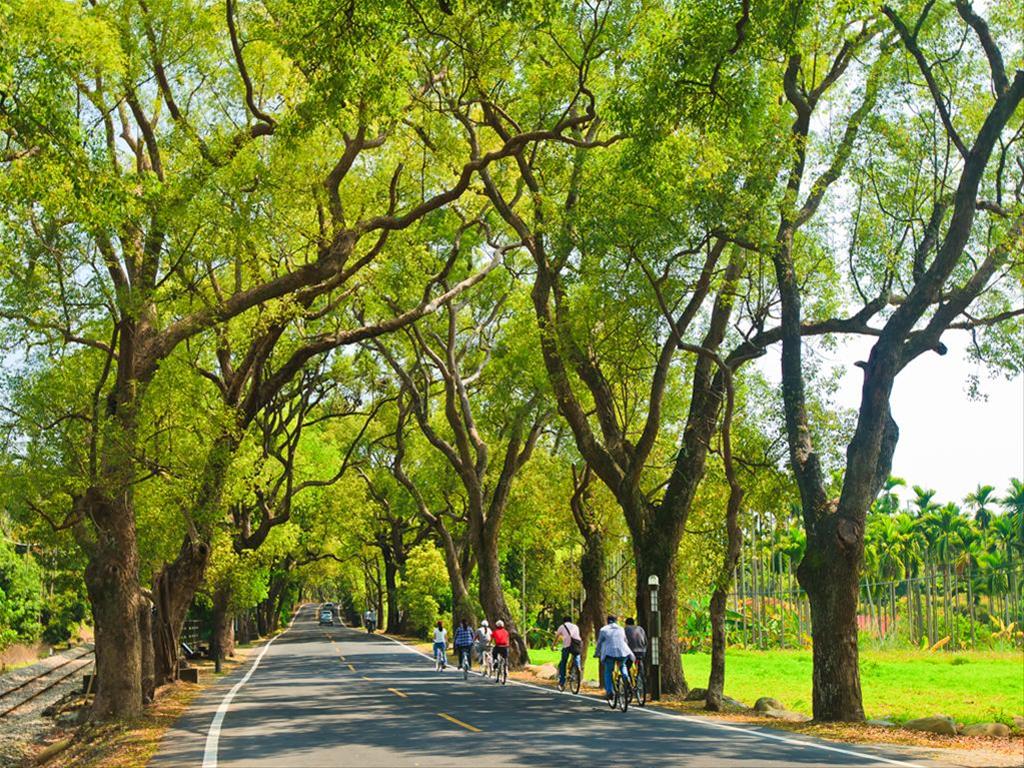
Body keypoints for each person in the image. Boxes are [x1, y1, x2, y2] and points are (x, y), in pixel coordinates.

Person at [595, 615, 634, 701]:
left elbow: (599, 643)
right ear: (616, 621)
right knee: (622, 666)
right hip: (622, 652)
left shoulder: (603, 630)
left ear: (607, 621)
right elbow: (625, 641)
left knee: (608, 672)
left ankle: (609, 692)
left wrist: (597, 653)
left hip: (609, 654)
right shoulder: (621, 629)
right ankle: (626, 679)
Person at [554, 616, 582, 691]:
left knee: (563, 662)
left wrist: (553, 645)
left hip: (566, 646)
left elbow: (556, 637)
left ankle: (562, 682)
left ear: (564, 621)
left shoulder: (562, 627)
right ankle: (578, 667)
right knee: (576, 656)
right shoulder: (575, 626)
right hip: (576, 645)